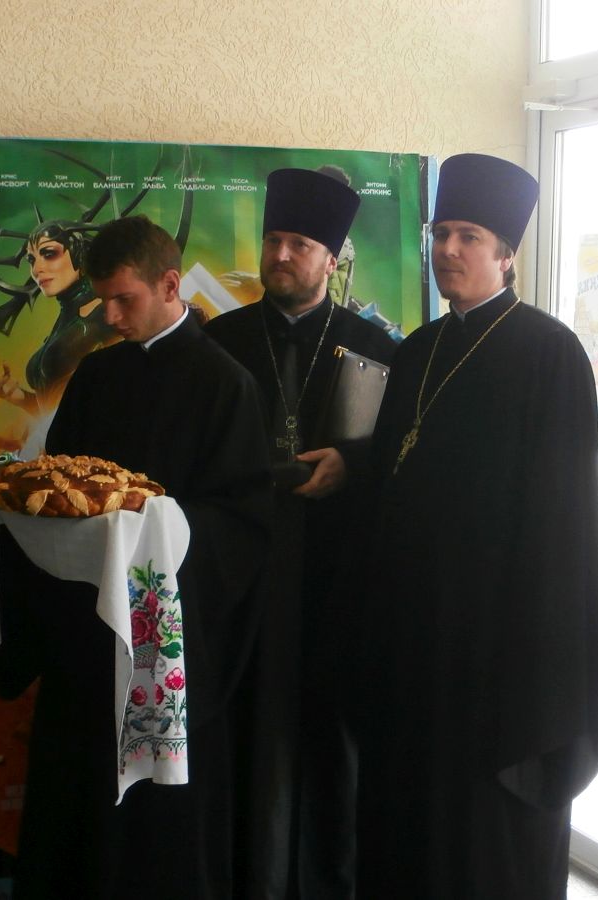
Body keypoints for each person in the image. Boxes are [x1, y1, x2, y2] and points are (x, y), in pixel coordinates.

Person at [357, 153, 598, 898]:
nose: (447, 249)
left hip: (499, 649)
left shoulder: (549, 352)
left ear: (507, 254)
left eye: (468, 236)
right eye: (440, 233)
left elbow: (564, 520)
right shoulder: (418, 350)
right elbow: (395, 467)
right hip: (417, 642)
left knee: (486, 844)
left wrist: (535, 652)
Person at [0, 214, 272, 900]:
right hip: (86, 630)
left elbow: (242, 522)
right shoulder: (97, 375)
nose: (111, 317)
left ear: (170, 285)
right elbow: (62, 480)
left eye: (125, 300)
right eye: (103, 301)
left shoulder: (226, 384)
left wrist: (156, 524)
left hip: (168, 635)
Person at [204, 167, 396, 899]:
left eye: (300, 244)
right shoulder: (217, 342)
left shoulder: (376, 348)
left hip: (335, 582)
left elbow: (401, 457)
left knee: (329, 753)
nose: (280, 255)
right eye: (273, 240)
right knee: (241, 742)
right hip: (241, 582)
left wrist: (353, 463)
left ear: (332, 259)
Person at [0, 219, 118, 415]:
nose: (36, 270)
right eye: (31, 260)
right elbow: (55, 411)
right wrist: (20, 397)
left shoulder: (109, 316)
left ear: (79, 253)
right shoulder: (67, 318)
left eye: (49, 254)